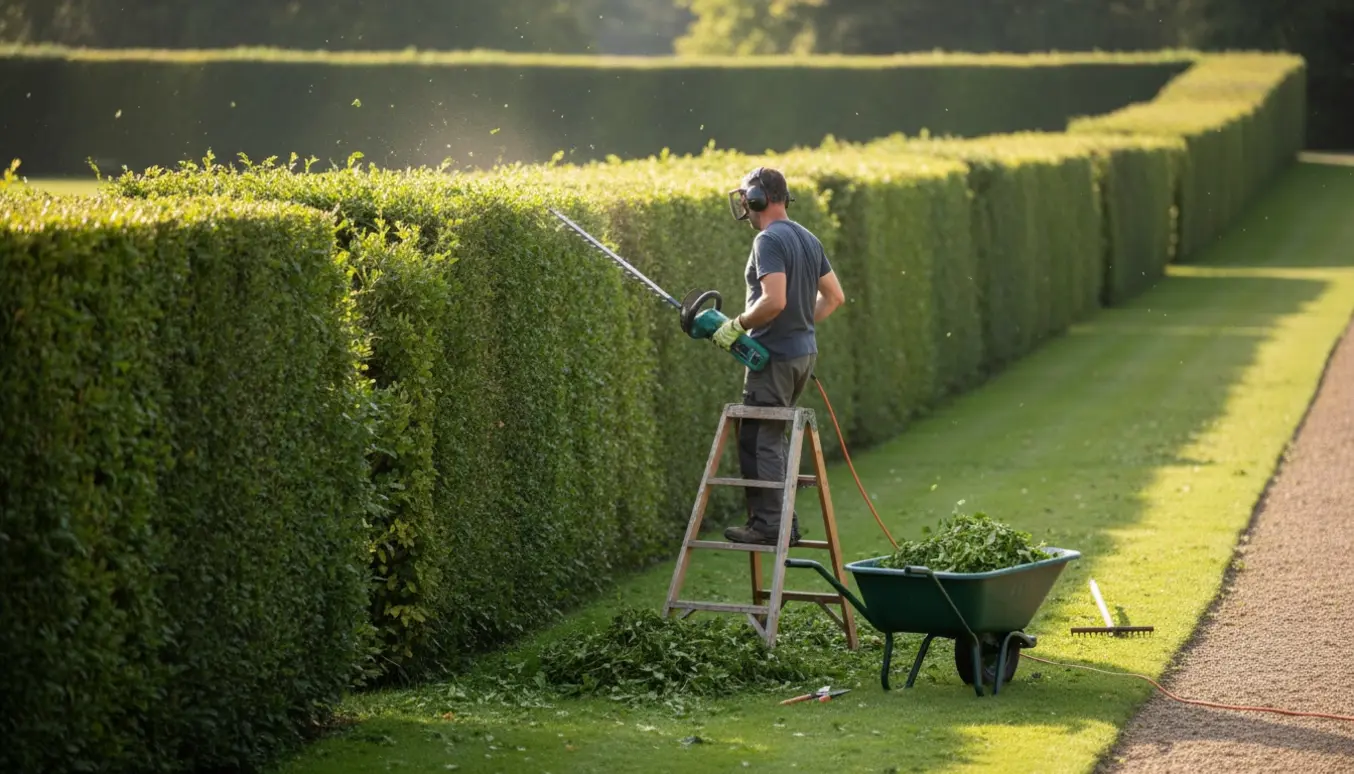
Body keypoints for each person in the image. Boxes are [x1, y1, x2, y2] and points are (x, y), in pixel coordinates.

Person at [712, 166, 845, 545]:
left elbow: (774, 301)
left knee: (759, 439)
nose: (743, 205)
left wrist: (737, 325)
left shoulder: (768, 240)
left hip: (774, 359)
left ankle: (770, 525)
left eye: (746, 198)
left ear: (758, 198)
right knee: (772, 436)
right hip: (803, 355)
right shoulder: (807, 237)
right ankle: (785, 521)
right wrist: (800, 325)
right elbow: (835, 297)